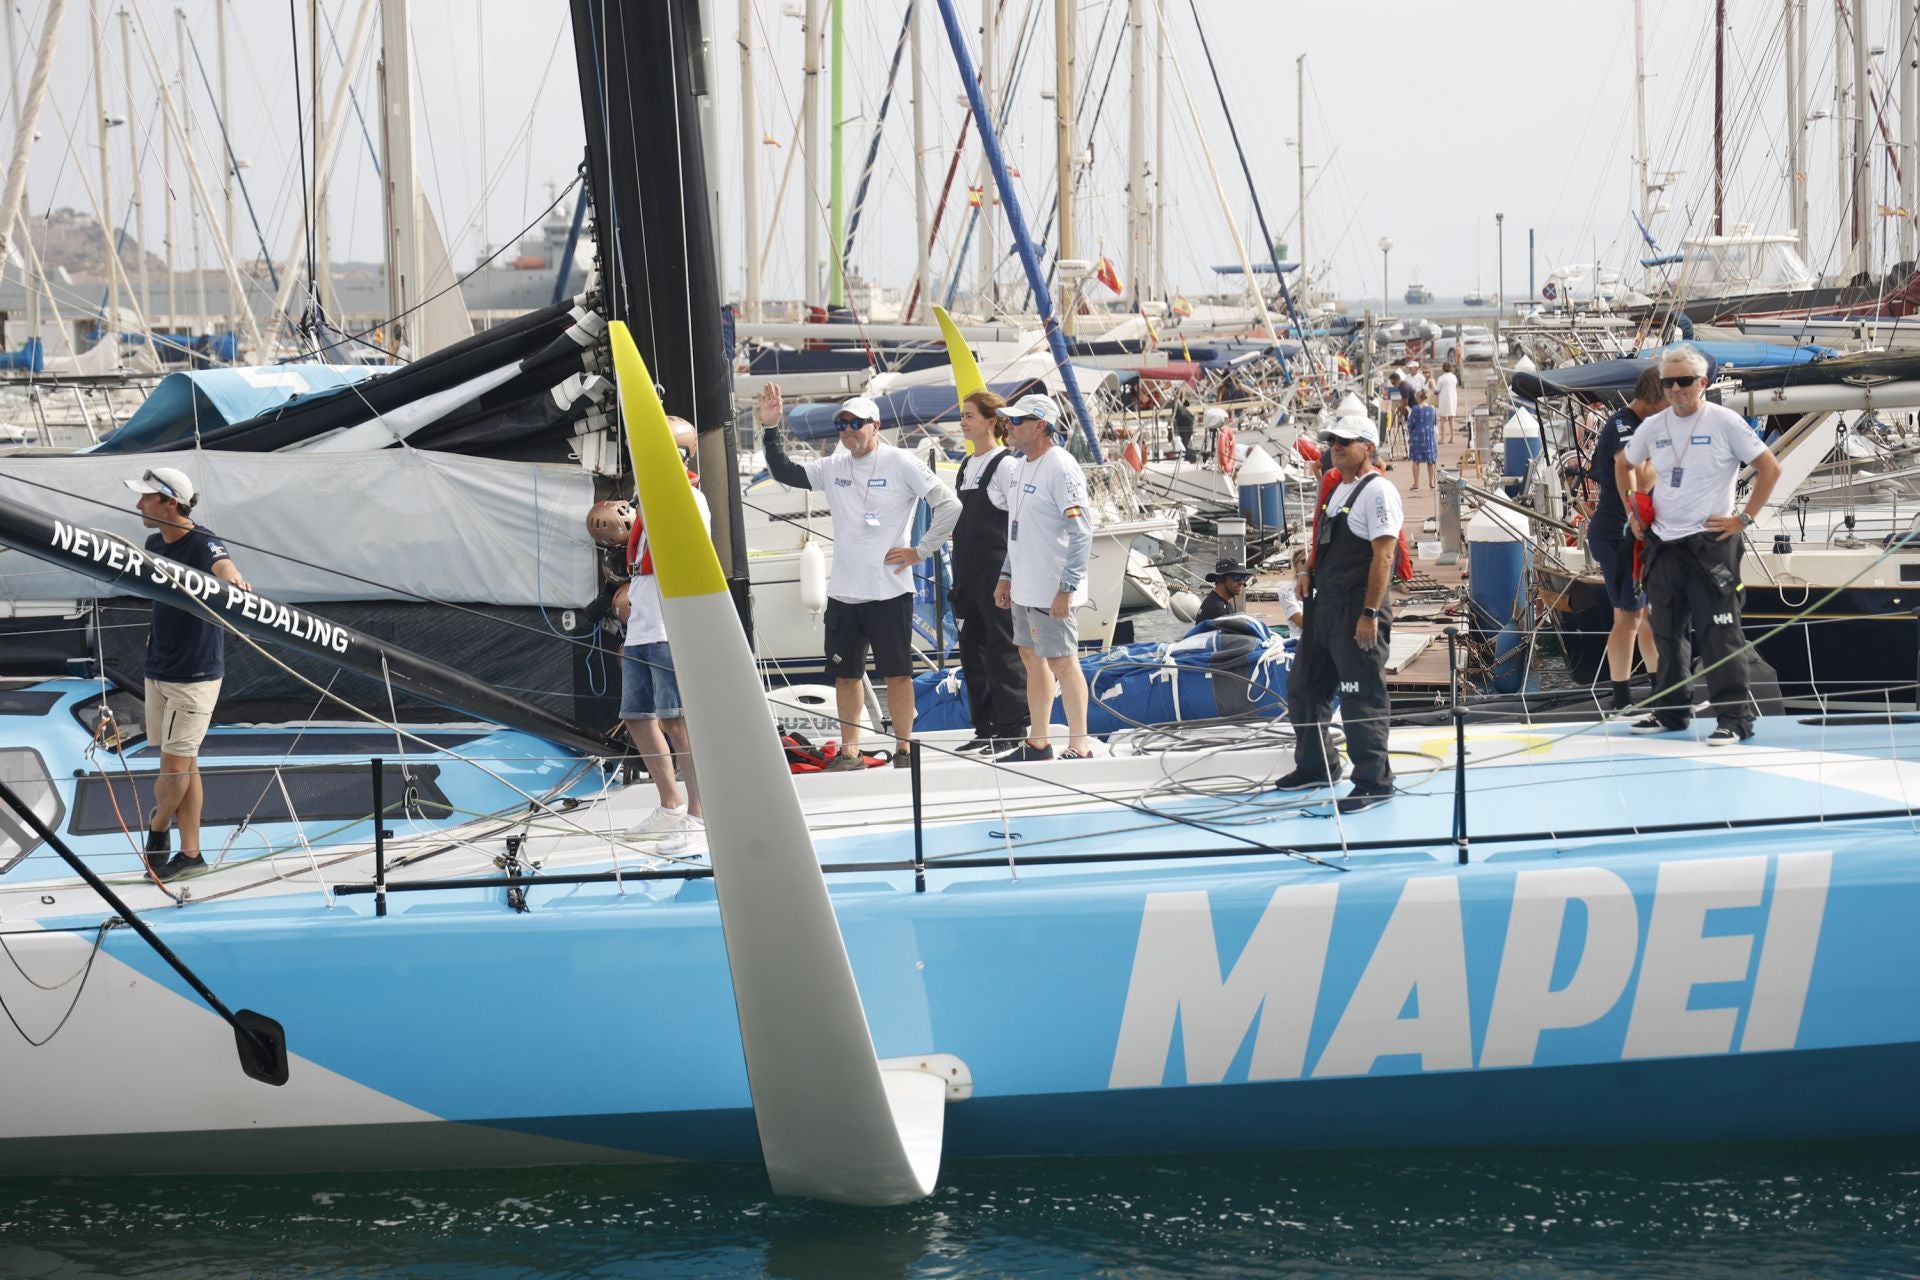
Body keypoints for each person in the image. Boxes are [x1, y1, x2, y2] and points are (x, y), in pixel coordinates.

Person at [759, 384, 961, 769]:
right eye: (842, 425)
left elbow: (949, 504)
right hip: (845, 592)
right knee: (846, 676)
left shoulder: (900, 462)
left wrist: (921, 550)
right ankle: (850, 752)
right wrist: (771, 428)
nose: (848, 430)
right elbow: (783, 471)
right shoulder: (833, 466)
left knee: (898, 675)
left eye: (856, 423)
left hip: (890, 592)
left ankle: (904, 749)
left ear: (875, 426)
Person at [1624, 346, 1783, 744]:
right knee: (1666, 634)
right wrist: (1633, 510)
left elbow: (1770, 467)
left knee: (1719, 635)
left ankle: (1735, 720)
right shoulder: (1654, 426)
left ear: (1702, 383)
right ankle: (1671, 712)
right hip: (1664, 544)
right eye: (1668, 382)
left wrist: (1744, 518)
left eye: (1684, 381)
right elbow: (1623, 464)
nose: (1676, 389)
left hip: (1711, 545)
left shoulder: (1725, 421)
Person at [125, 466, 249, 882]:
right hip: (159, 666)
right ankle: (192, 855)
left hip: (194, 674)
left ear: (170, 503)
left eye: (146, 498)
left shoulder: (203, 543)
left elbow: (224, 567)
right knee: (186, 764)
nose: (139, 504)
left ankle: (157, 829)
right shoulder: (153, 543)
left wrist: (236, 583)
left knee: (174, 769)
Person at [1276, 417, 1404, 814]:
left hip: (1356, 610)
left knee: (1359, 695)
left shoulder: (1378, 491)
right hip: (1325, 607)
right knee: (1304, 688)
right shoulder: (1337, 488)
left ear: (1368, 447)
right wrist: (1305, 572)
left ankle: (1374, 782)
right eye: (1333, 440)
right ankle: (1317, 766)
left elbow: (1384, 555)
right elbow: (1322, 540)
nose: (1336, 446)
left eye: (1345, 441)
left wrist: (1369, 614)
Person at [992, 394, 1095, 762]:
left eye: (1016, 420)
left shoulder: (1062, 467)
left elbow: (1082, 532)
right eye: (1008, 419)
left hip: (1052, 587)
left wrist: (1066, 588)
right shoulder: (1021, 466)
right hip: (1025, 585)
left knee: (1063, 662)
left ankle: (1080, 745)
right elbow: (1017, 527)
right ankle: (1039, 742)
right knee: (1030, 656)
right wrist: (1006, 575)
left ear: (1040, 426)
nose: (1008, 425)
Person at [951, 389, 1027, 752]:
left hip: (995, 571)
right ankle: (985, 728)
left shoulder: (1006, 465)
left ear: (990, 422)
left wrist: (1008, 576)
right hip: (966, 572)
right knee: (972, 648)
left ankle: (1012, 726)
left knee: (1002, 648)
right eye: (962, 416)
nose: (963, 422)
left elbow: (1019, 521)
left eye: (969, 416)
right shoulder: (967, 465)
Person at [1588, 368, 1667, 711]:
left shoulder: (1648, 427)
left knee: (1648, 615)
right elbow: (1635, 472)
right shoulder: (1623, 425)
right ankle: (1620, 699)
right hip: (1616, 532)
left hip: (1640, 533)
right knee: (1629, 617)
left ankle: (1660, 688)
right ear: (1654, 398)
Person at [1406, 389, 1438, 490]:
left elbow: (1410, 424)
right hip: (1429, 436)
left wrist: (1410, 435)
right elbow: (1434, 422)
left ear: (1418, 398)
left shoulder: (1415, 409)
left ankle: (1416, 483)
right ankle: (1431, 482)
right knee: (1430, 461)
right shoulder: (1432, 409)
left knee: (1416, 460)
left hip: (1417, 436)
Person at [1436, 363, 1460, 445]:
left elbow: (1437, 390)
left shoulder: (1441, 378)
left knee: (1443, 419)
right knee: (1451, 419)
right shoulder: (1454, 377)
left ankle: (1443, 438)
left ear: (1443, 368)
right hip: (1453, 399)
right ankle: (1453, 437)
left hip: (1444, 399)